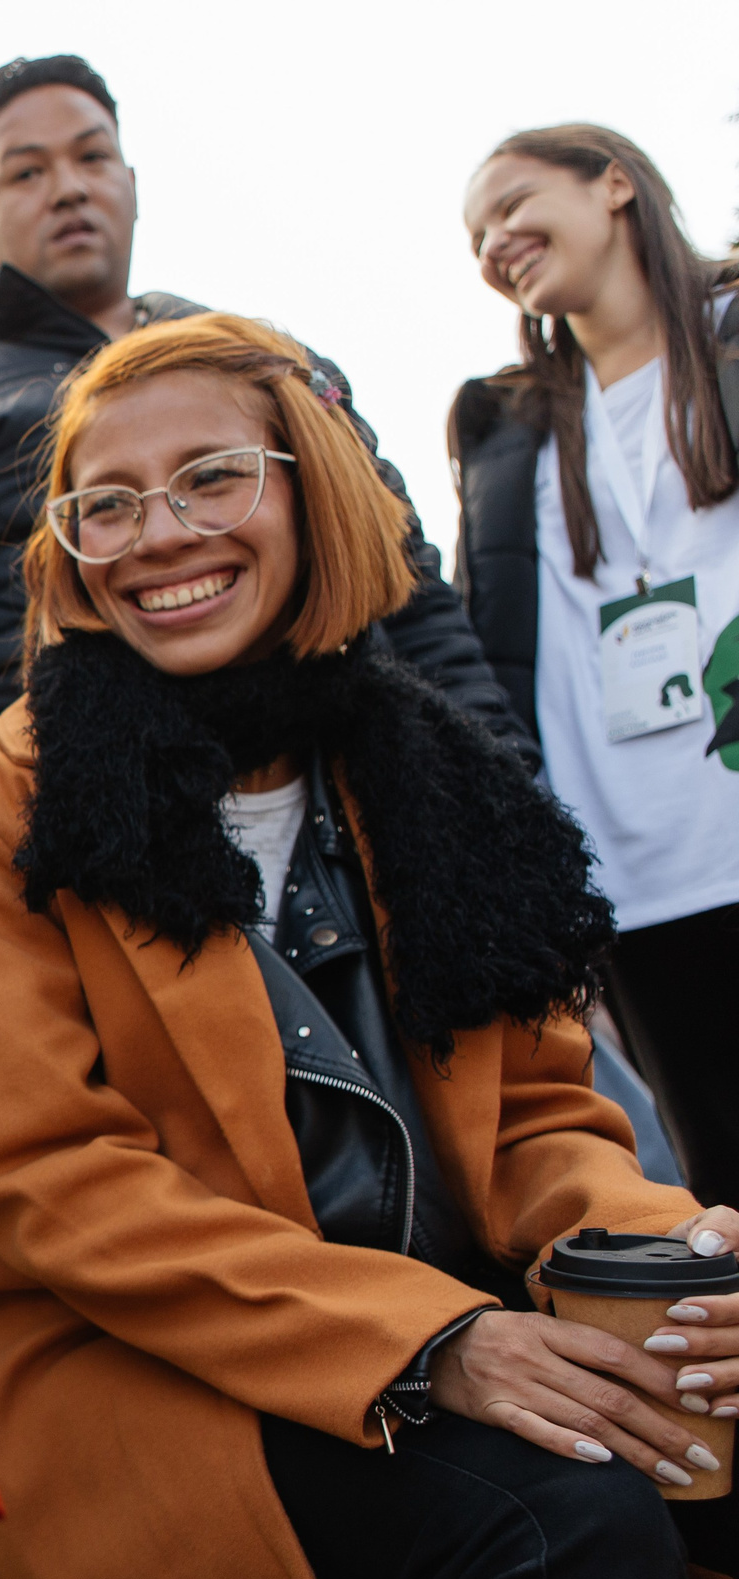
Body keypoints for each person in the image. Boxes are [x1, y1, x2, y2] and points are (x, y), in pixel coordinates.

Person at [0, 312, 738, 1579]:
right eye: (106, 504)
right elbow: (53, 1181)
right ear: (72, 553)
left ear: (314, 491)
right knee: (556, 1513)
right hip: (151, 1367)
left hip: (466, 1307)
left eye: (214, 476)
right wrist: (427, 1342)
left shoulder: (433, 769)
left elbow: (545, 1114)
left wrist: (664, 1270)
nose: (160, 531)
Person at [0, 54, 529, 981]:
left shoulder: (269, 363)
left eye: (91, 158)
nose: (68, 188)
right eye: (27, 171)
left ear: (131, 184)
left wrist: (507, 794)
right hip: (102, 894)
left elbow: (403, 582)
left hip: (373, 832)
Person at [452, 125, 739, 1212]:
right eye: (476, 235)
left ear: (613, 183)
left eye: (513, 202)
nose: (494, 240)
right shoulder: (509, 427)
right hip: (639, 880)